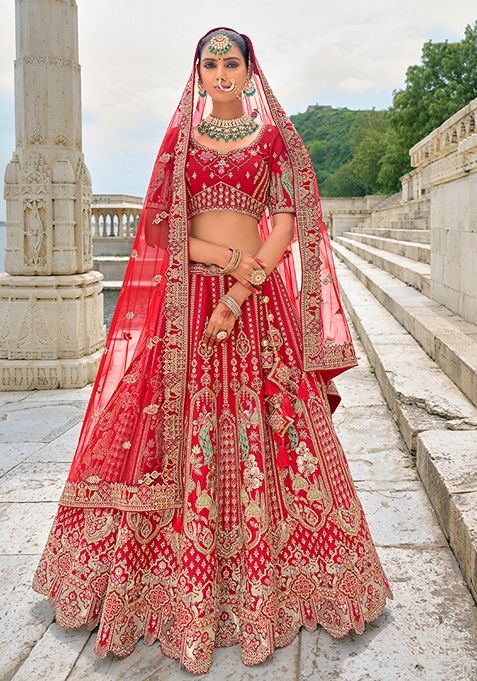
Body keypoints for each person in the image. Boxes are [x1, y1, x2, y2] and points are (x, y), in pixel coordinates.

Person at [32, 27, 394, 675]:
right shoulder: (180, 144)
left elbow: (286, 219)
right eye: (210, 64)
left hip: (255, 310)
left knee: (275, 437)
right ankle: (166, 585)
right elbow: (163, 227)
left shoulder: (273, 139)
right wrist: (231, 263)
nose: (221, 73)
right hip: (189, 306)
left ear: (250, 73)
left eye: (232, 63)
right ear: (196, 74)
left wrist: (244, 286)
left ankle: (290, 581)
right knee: (170, 437)